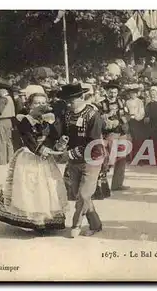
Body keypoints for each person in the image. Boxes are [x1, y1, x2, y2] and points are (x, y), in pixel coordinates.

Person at [0, 91, 68, 232]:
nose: (40, 106)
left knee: (48, 186)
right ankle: (33, 220)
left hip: (45, 157)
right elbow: (28, 138)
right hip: (29, 156)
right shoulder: (24, 120)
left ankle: (45, 219)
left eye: (43, 103)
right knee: (31, 187)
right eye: (36, 103)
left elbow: (53, 137)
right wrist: (40, 150)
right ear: (29, 105)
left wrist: (58, 142)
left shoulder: (47, 120)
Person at [61, 84, 105, 238]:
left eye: (70, 101)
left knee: (84, 195)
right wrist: (62, 141)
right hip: (74, 161)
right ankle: (96, 224)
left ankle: (76, 225)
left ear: (81, 98)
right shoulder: (67, 114)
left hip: (92, 159)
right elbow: (65, 133)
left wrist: (71, 153)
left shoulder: (93, 115)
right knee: (77, 194)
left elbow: (92, 143)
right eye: (66, 101)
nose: (68, 104)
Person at [99, 81, 130, 191]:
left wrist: (121, 122)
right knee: (108, 159)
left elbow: (127, 115)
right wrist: (108, 117)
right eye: (111, 92)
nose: (113, 94)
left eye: (115, 92)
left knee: (121, 158)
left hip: (121, 132)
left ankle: (117, 184)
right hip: (110, 134)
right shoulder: (101, 104)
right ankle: (102, 183)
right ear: (106, 92)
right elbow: (98, 119)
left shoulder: (122, 102)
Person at [0, 86, 16, 165]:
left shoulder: (3, 99)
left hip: (2, 120)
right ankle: (11, 159)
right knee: (9, 141)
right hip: (9, 120)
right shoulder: (10, 99)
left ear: (1, 93)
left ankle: (2, 161)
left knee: (1, 140)